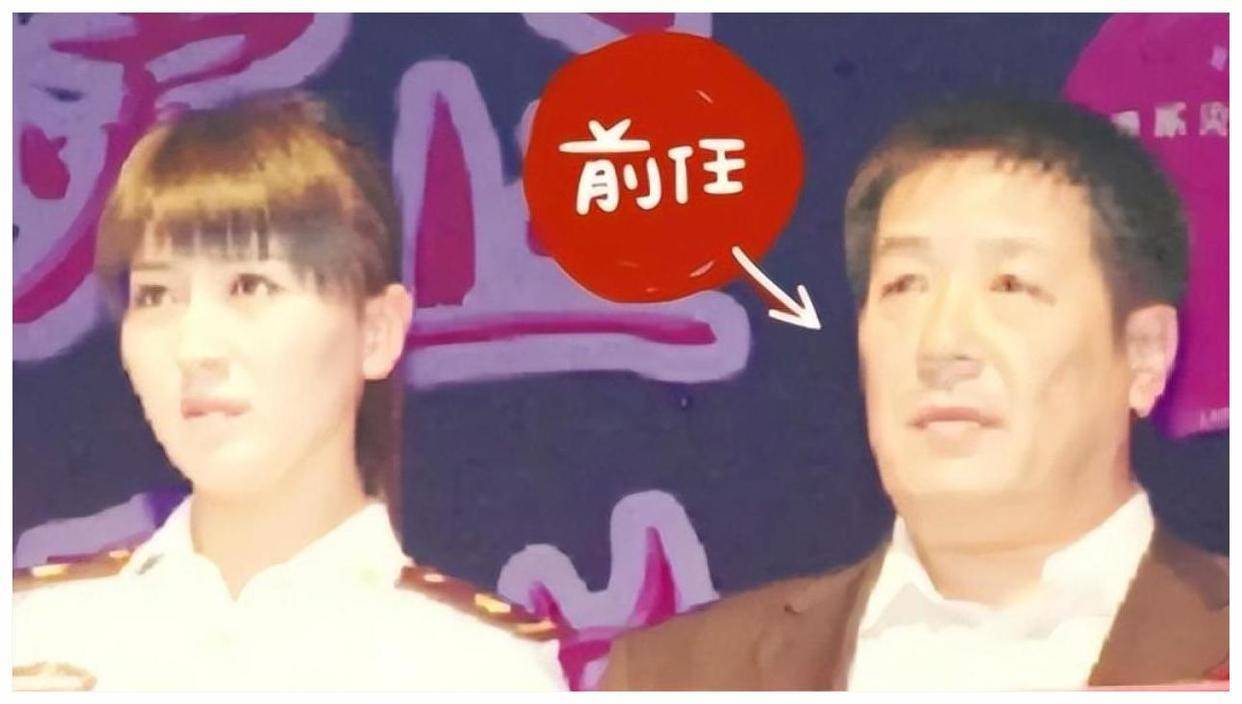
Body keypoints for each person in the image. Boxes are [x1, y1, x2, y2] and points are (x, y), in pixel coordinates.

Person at [599, 98, 1227, 691]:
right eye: (904, 285)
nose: (941, 345)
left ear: (1145, 353)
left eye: (1011, 285)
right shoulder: (676, 676)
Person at [12, 92, 566, 691]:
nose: (194, 348)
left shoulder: (476, 670)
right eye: (156, 296)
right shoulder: (35, 635)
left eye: (250, 287)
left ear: (376, 332)